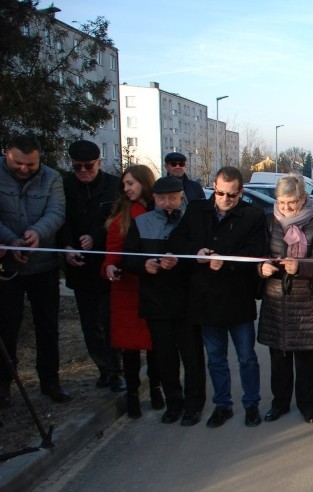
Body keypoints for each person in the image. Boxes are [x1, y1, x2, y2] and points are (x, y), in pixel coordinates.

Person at [170, 167, 266, 428]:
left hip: (237, 297)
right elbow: (178, 240)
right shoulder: (197, 210)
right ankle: (222, 405)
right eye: (220, 193)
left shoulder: (252, 215)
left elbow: (257, 251)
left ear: (241, 192)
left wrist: (226, 262)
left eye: (231, 195)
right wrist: (196, 251)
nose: (224, 199)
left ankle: (251, 404)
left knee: (246, 357)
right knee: (216, 358)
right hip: (205, 298)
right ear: (214, 186)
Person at [122, 176, 207, 426]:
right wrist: (144, 264)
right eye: (162, 199)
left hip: (187, 302)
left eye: (172, 198)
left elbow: (199, 256)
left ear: (182, 198)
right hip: (155, 302)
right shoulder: (141, 223)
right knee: (165, 358)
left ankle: (194, 405)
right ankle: (174, 403)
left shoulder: (191, 222)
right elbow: (127, 258)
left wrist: (181, 261)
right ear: (154, 199)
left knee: (192, 358)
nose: (167, 203)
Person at [0, 134, 70, 407]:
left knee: (48, 327)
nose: (24, 169)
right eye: (18, 163)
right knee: (7, 327)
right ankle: (4, 384)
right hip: (7, 265)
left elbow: (57, 212)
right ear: (7, 154)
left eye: (31, 164)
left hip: (43, 265)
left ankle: (51, 381)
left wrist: (36, 233)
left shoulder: (51, 177)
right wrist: (10, 239)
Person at [257, 174, 313, 424]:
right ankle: (279, 403)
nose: (286, 208)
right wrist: (262, 268)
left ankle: (306, 404)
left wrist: (299, 267)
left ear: (303, 198)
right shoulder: (269, 221)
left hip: (307, 302)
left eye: (292, 202)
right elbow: (259, 254)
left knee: (306, 359)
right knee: (278, 358)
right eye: (281, 202)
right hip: (277, 300)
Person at [59, 140, 123, 392]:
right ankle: (103, 369)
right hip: (79, 265)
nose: (83, 171)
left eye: (89, 166)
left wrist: (96, 236)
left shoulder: (112, 185)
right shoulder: (64, 186)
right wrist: (66, 247)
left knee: (109, 321)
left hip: (105, 263)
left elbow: (117, 219)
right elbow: (60, 219)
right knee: (89, 323)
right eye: (77, 167)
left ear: (99, 162)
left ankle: (116, 371)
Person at [102, 165, 162, 418]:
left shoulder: (157, 210)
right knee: (130, 348)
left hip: (153, 286)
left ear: (144, 183)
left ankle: (156, 388)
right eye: (124, 184)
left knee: (155, 343)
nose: (126, 188)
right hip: (126, 288)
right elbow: (112, 251)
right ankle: (133, 395)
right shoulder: (120, 216)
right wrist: (110, 267)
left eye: (131, 183)